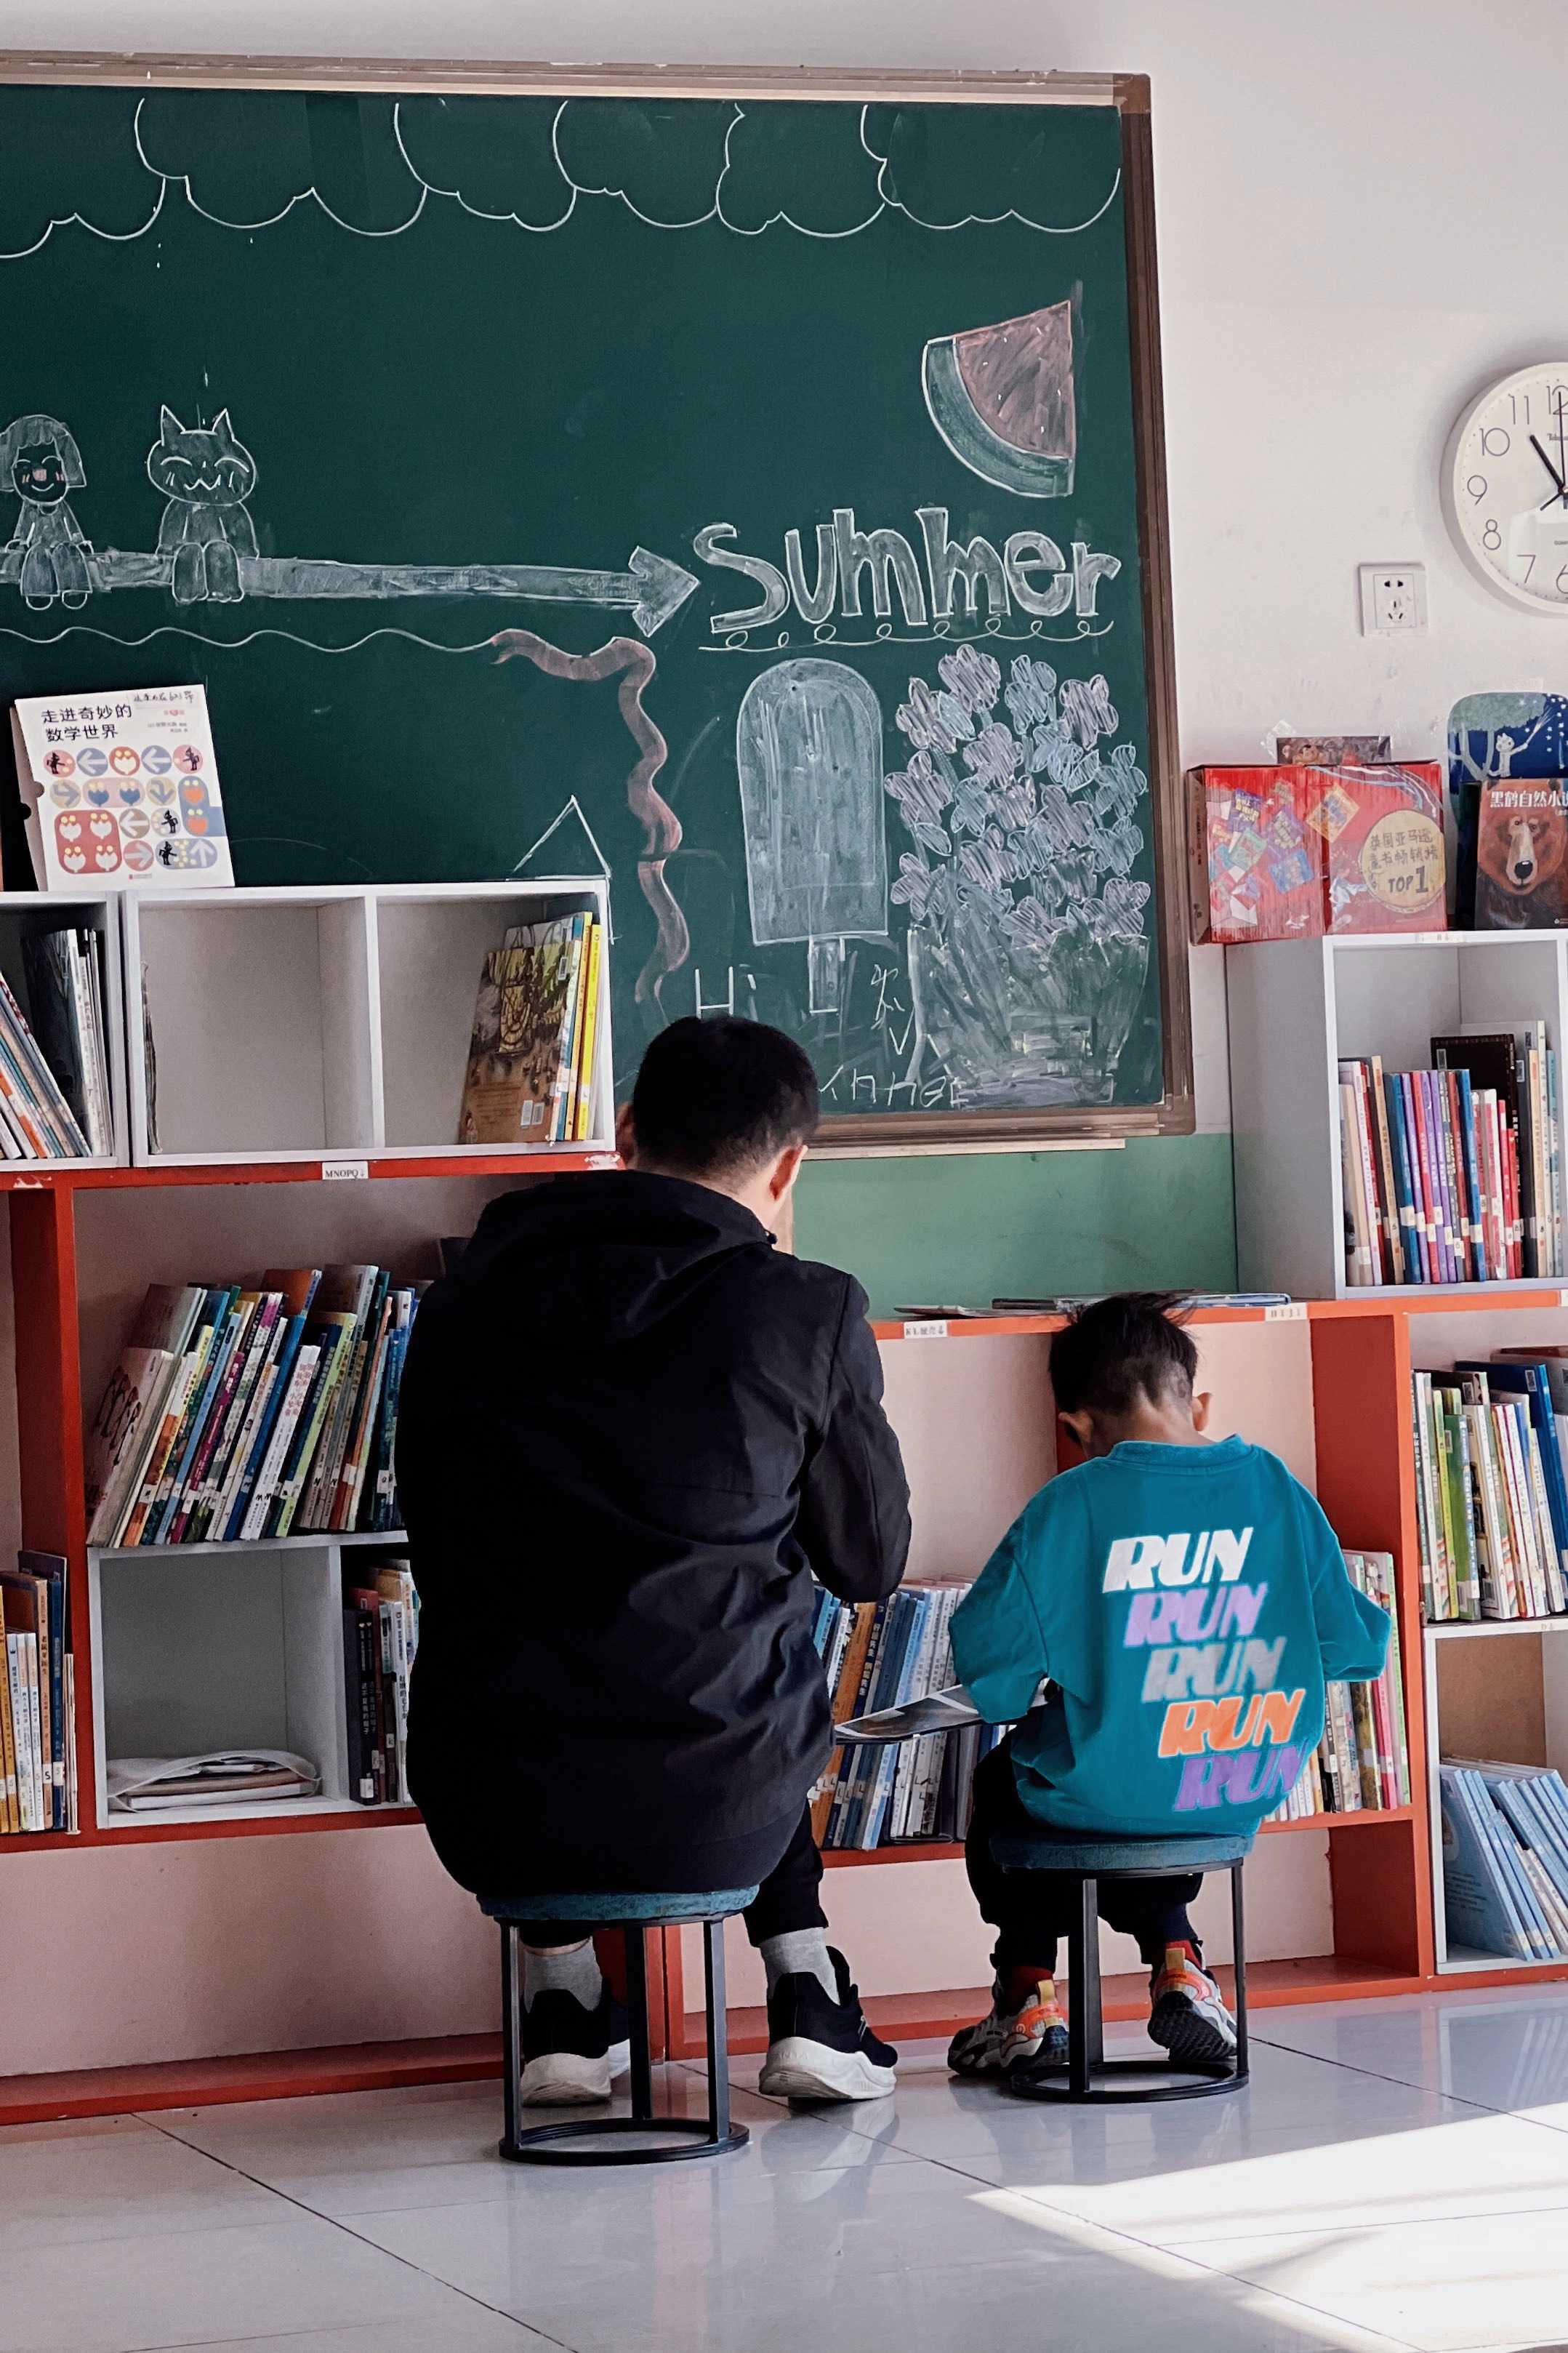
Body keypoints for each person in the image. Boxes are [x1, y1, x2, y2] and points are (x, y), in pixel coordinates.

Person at [397, 1016, 912, 2107]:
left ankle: (563, 2003)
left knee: (548, 1616)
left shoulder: (461, 1303)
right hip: (720, 1807)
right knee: (741, 1632)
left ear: (625, 1131)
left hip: (494, 1808)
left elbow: (433, 1542)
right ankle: (806, 1986)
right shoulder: (805, 1309)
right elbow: (868, 1564)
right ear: (789, 1165)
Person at [946, 1291, 1389, 2086]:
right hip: (1243, 1780)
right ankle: (1180, 1963)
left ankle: (1027, 1994)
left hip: (1113, 1787)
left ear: (1076, 1427)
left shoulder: (1070, 1503)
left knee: (1012, 1784)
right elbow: (1356, 1649)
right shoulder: (1278, 1488)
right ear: (1199, 1404)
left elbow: (992, 1673)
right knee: (1147, 1772)